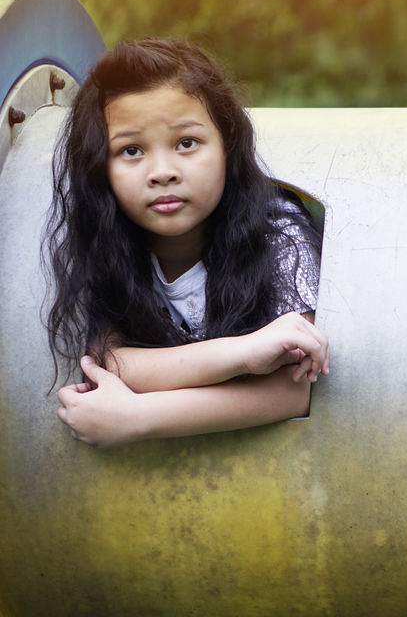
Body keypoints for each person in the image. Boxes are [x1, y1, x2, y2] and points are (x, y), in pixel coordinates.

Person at [45, 38, 328, 449]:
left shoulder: (279, 230)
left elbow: (295, 389)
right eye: (131, 150)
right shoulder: (110, 242)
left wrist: (139, 417)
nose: (162, 172)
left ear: (227, 146)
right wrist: (244, 353)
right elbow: (109, 363)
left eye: (186, 143)